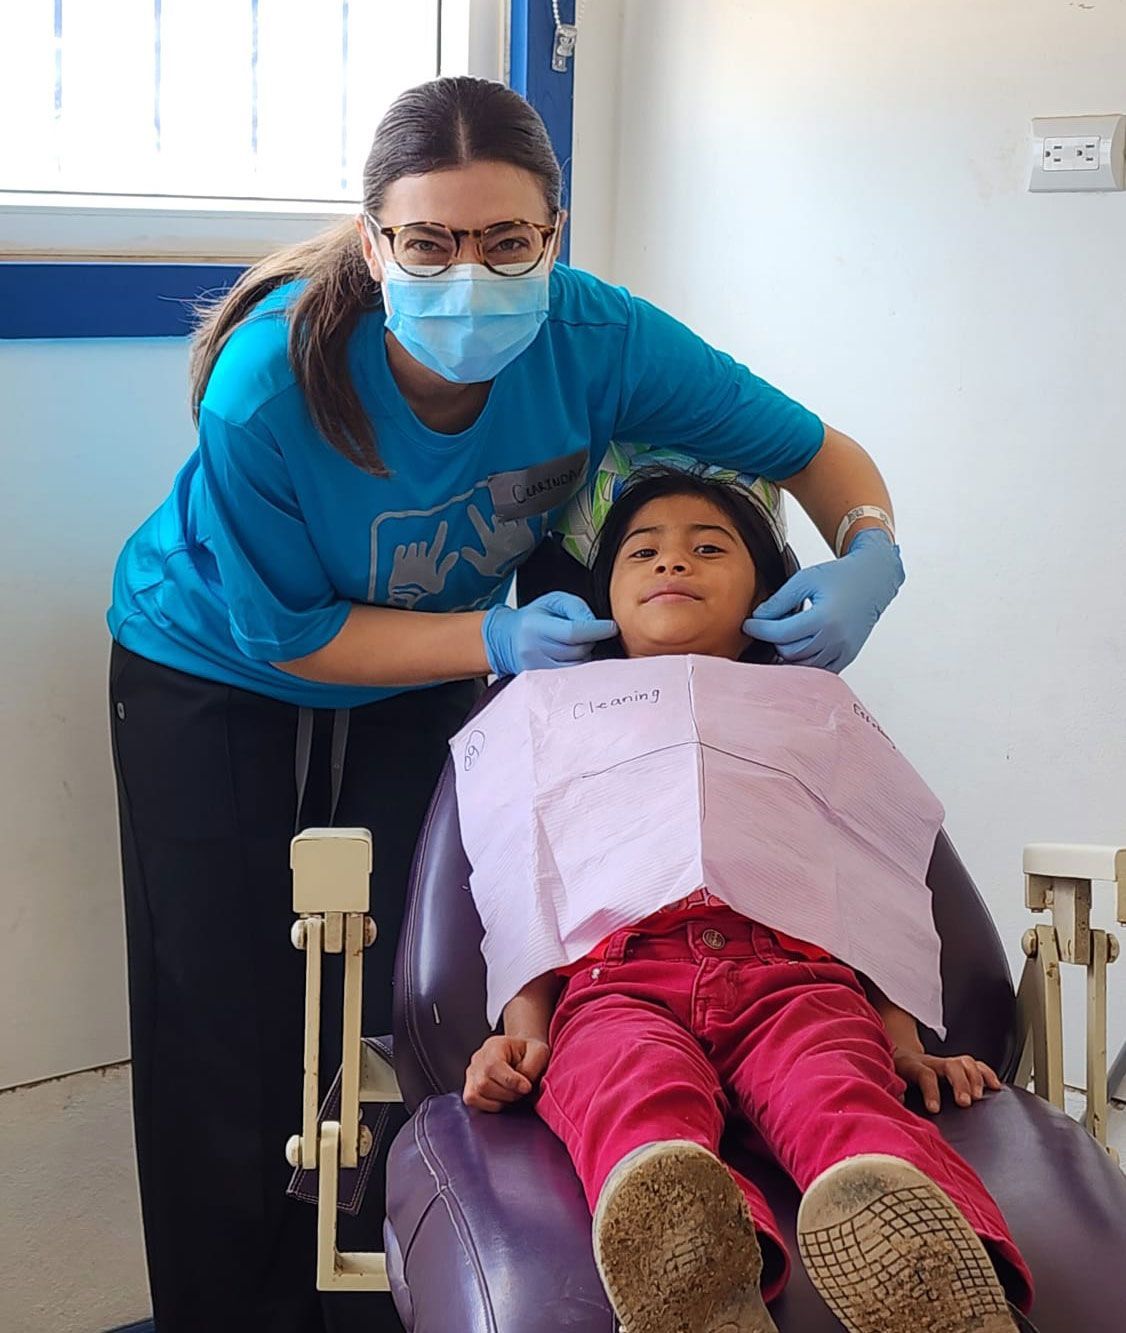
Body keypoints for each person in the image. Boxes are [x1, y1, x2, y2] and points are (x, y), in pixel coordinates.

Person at [108, 73, 904, 1332]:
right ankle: (231, 1306)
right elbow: (292, 633)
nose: (465, 272)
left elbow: (815, 452)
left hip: (439, 655)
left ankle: (382, 1279)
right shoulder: (267, 381)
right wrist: (487, 631)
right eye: (426, 242)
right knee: (219, 992)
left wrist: (869, 551)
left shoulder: (599, 338)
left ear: (555, 236)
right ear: (374, 245)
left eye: (505, 241)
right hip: (214, 651)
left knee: (406, 986)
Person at [462, 469, 1034, 1333]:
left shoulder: (816, 707)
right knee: (627, 1086)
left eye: (707, 547)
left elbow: (870, 869)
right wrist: (527, 1028)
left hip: (793, 975)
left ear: (768, 590)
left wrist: (903, 1039)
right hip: (619, 982)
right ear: (604, 594)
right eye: (642, 551)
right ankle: (688, 1253)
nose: (673, 563)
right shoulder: (546, 712)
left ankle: (923, 1257)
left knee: (840, 1088)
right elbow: (525, 879)